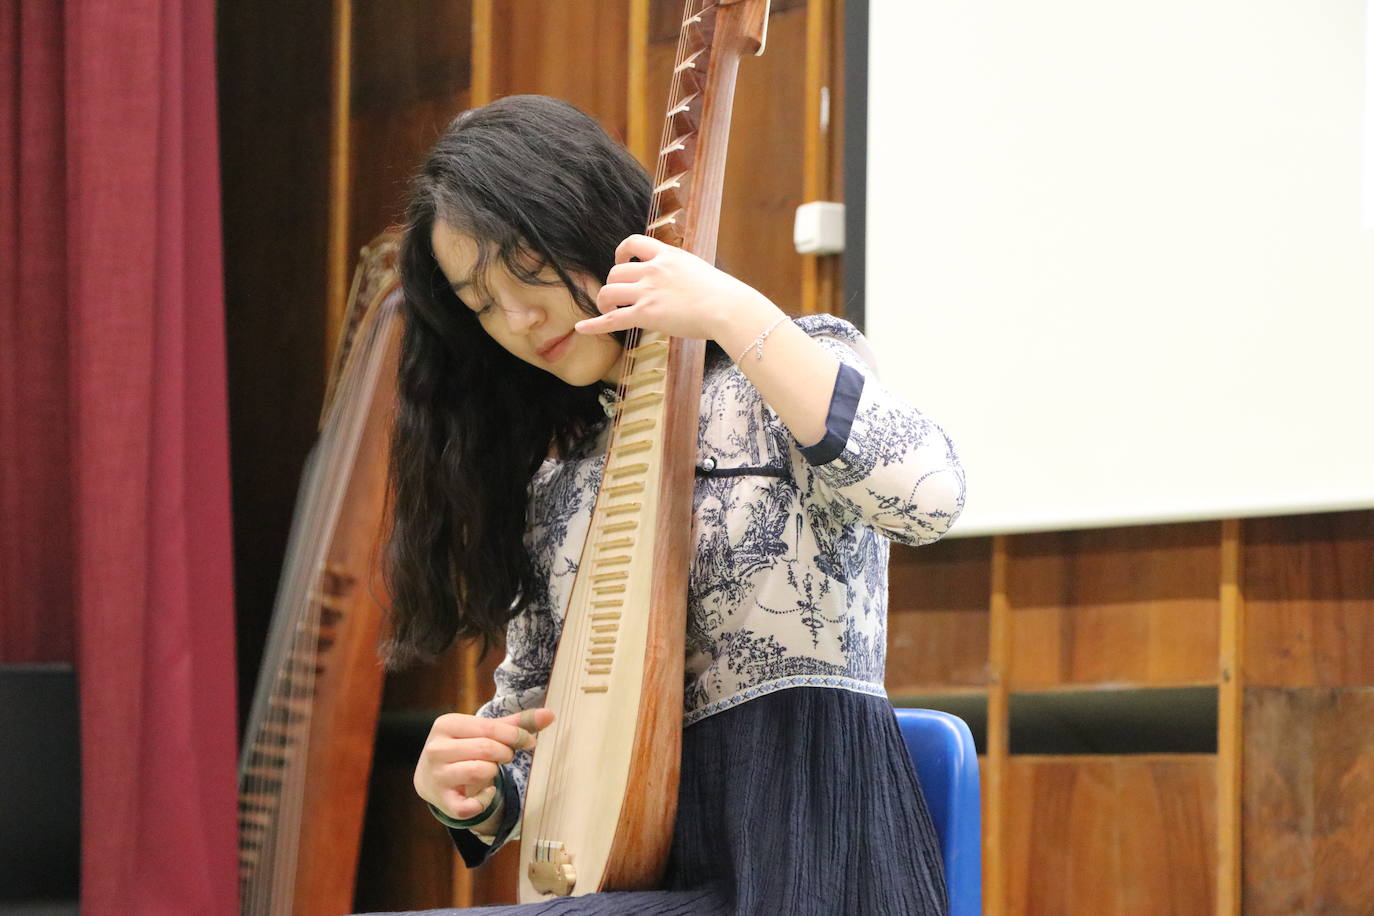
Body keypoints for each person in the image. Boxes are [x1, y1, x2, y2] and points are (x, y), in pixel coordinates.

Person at [374, 94, 964, 915]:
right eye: (480, 304)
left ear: (588, 219)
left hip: (819, 860)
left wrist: (730, 306)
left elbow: (929, 495)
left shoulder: (784, 371)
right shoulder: (560, 484)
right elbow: (532, 745)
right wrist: (464, 787)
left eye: (526, 267)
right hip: (646, 876)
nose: (515, 317)